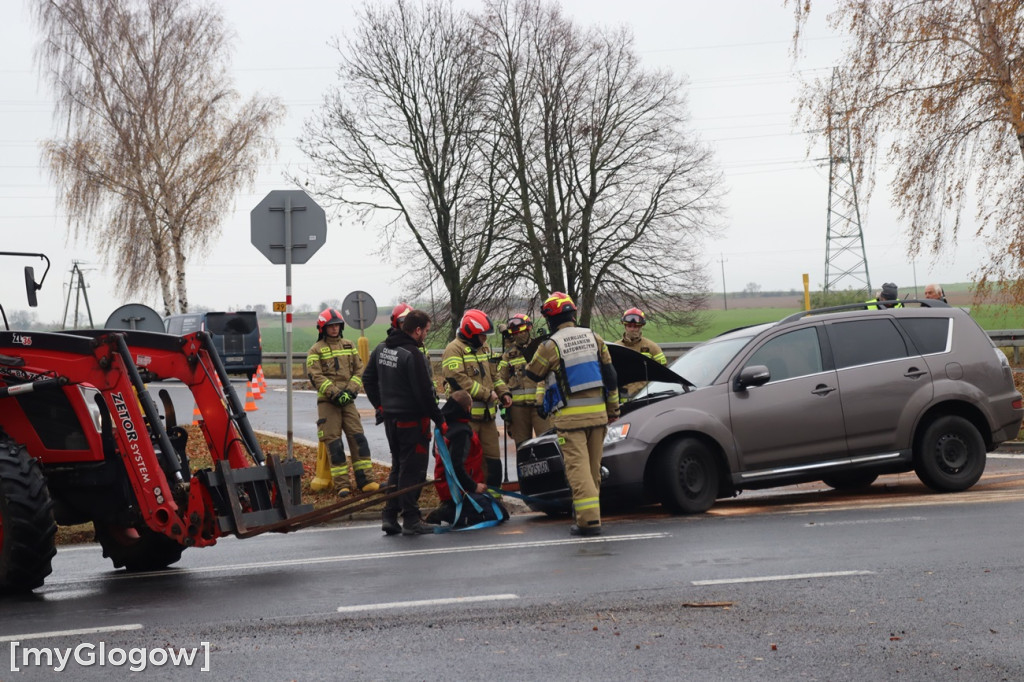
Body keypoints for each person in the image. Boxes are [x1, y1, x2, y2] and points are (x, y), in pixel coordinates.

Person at [525, 292, 619, 536]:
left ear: (551, 319)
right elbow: (610, 377)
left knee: (578, 472)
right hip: (598, 416)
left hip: (571, 421)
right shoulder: (594, 337)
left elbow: (533, 374)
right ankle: (589, 515)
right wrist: (613, 409)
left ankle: (588, 522)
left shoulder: (551, 345)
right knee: (592, 470)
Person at [365, 308, 443, 536]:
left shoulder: (381, 348)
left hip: (391, 419)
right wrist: (439, 419)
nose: (426, 335)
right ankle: (411, 519)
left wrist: (380, 406)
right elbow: (424, 394)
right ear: (417, 330)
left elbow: (368, 379)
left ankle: (389, 515)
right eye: (426, 331)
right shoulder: (412, 354)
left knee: (398, 467)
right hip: (413, 422)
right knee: (413, 470)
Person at [306, 307, 378, 498]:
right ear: (322, 328)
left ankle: (366, 481)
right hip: (328, 403)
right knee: (334, 444)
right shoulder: (315, 350)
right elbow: (316, 376)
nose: (335, 329)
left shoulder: (349, 345)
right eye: (331, 326)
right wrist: (335, 393)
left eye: (337, 326)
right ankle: (342, 485)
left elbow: (359, 369)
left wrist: (351, 391)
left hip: (348, 401)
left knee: (358, 439)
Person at [425, 390, 508, 528]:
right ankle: (447, 512)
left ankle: (448, 508)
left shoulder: (443, 427)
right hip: (460, 489)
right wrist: (474, 486)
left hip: (448, 487)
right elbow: (456, 466)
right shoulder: (461, 432)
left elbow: (436, 454)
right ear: (468, 408)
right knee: (499, 513)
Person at [441, 309, 503, 489]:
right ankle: (472, 500)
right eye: (482, 335)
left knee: (493, 462)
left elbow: (495, 376)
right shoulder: (453, 349)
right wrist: (486, 394)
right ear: (471, 333)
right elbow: (458, 380)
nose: (485, 339)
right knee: (469, 462)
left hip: (488, 417)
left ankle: (494, 501)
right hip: (468, 420)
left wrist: (504, 393)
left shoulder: (484, 348)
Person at [496, 313, 550, 449]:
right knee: (522, 447)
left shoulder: (539, 349)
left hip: (539, 406)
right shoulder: (508, 355)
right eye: (515, 331)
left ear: (529, 328)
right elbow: (500, 379)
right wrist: (502, 401)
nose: (519, 334)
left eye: (521, 330)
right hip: (517, 408)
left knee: (547, 443)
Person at [617, 307, 667, 399]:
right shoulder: (616, 346)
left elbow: (663, 371)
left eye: (636, 326)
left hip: (645, 396)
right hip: (622, 396)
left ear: (641, 326)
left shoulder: (652, 347)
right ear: (625, 326)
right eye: (630, 326)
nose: (632, 329)